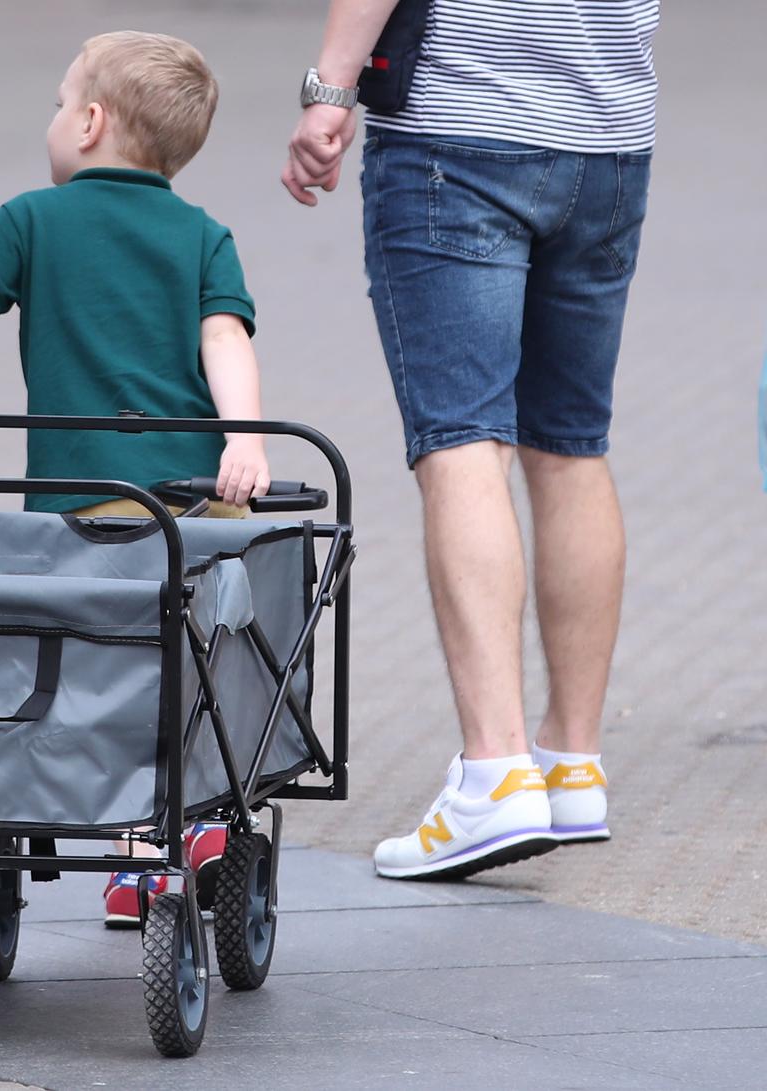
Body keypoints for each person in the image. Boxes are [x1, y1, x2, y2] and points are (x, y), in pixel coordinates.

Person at [0, 31, 268, 926]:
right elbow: (226, 341)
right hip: (192, 503)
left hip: (81, 511)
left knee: (102, 670)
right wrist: (244, 441)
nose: (53, 119)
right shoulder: (205, 235)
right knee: (186, 663)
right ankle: (201, 820)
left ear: (91, 122)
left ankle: (136, 848)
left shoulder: (29, 220)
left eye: (59, 103)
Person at [283, 0, 659, 879]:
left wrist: (330, 86)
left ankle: (495, 773)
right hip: (611, 133)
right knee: (571, 444)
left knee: (461, 440)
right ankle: (572, 763)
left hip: (462, 127)